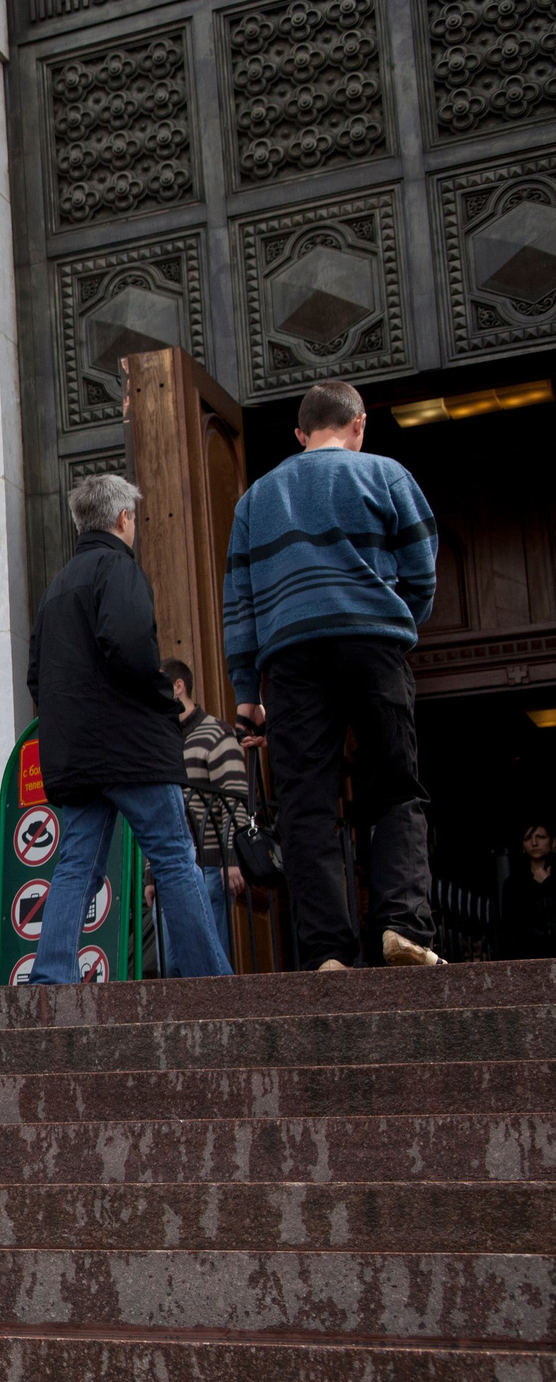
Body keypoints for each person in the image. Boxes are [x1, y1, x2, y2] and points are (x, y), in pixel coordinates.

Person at [222, 380, 444, 971]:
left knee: (306, 803)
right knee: (395, 787)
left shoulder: (255, 500)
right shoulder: (386, 474)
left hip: (291, 657)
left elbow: (239, 605)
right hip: (373, 641)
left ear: (300, 436)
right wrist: (400, 622)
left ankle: (327, 953)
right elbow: (422, 568)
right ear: (359, 423)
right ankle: (401, 925)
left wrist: (247, 695)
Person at [24, 474, 232, 982]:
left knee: (76, 863)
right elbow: (133, 648)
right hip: (132, 748)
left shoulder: (58, 586)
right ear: (123, 518)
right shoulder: (118, 568)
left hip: (76, 753)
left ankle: (51, 976)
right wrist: (164, 700)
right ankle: (210, 978)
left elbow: (36, 675)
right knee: (175, 858)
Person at [163, 659, 253, 960]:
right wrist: (151, 876)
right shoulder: (165, 741)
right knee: (173, 965)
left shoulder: (216, 733)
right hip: (173, 870)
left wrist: (232, 859)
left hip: (211, 867)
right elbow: (162, 812)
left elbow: (234, 799)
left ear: (179, 687)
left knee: (209, 957)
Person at [496, 823, 556, 961]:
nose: (534, 843)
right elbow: (510, 926)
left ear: (553, 842)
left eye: (540, 837)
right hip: (528, 956)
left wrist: (547, 884)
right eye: (528, 838)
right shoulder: (514, 883)